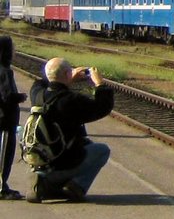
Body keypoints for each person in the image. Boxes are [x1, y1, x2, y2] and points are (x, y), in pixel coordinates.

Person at [26, 57, 114, 203]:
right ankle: (73, 187)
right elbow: (102, 107)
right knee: (101, 150)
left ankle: (42, 178)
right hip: (60, 163)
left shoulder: (37, 94)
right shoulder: (71, 100)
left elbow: (40, 82)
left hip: (41, 159)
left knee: (87, 144)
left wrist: (66, 78)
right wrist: (99, 84)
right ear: (67, 74)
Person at [0, 36, 27, 199]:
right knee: (4, 155)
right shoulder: (5, 71)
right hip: (4, 120)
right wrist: (21, 97)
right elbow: (6, 96)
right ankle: (1, 188)